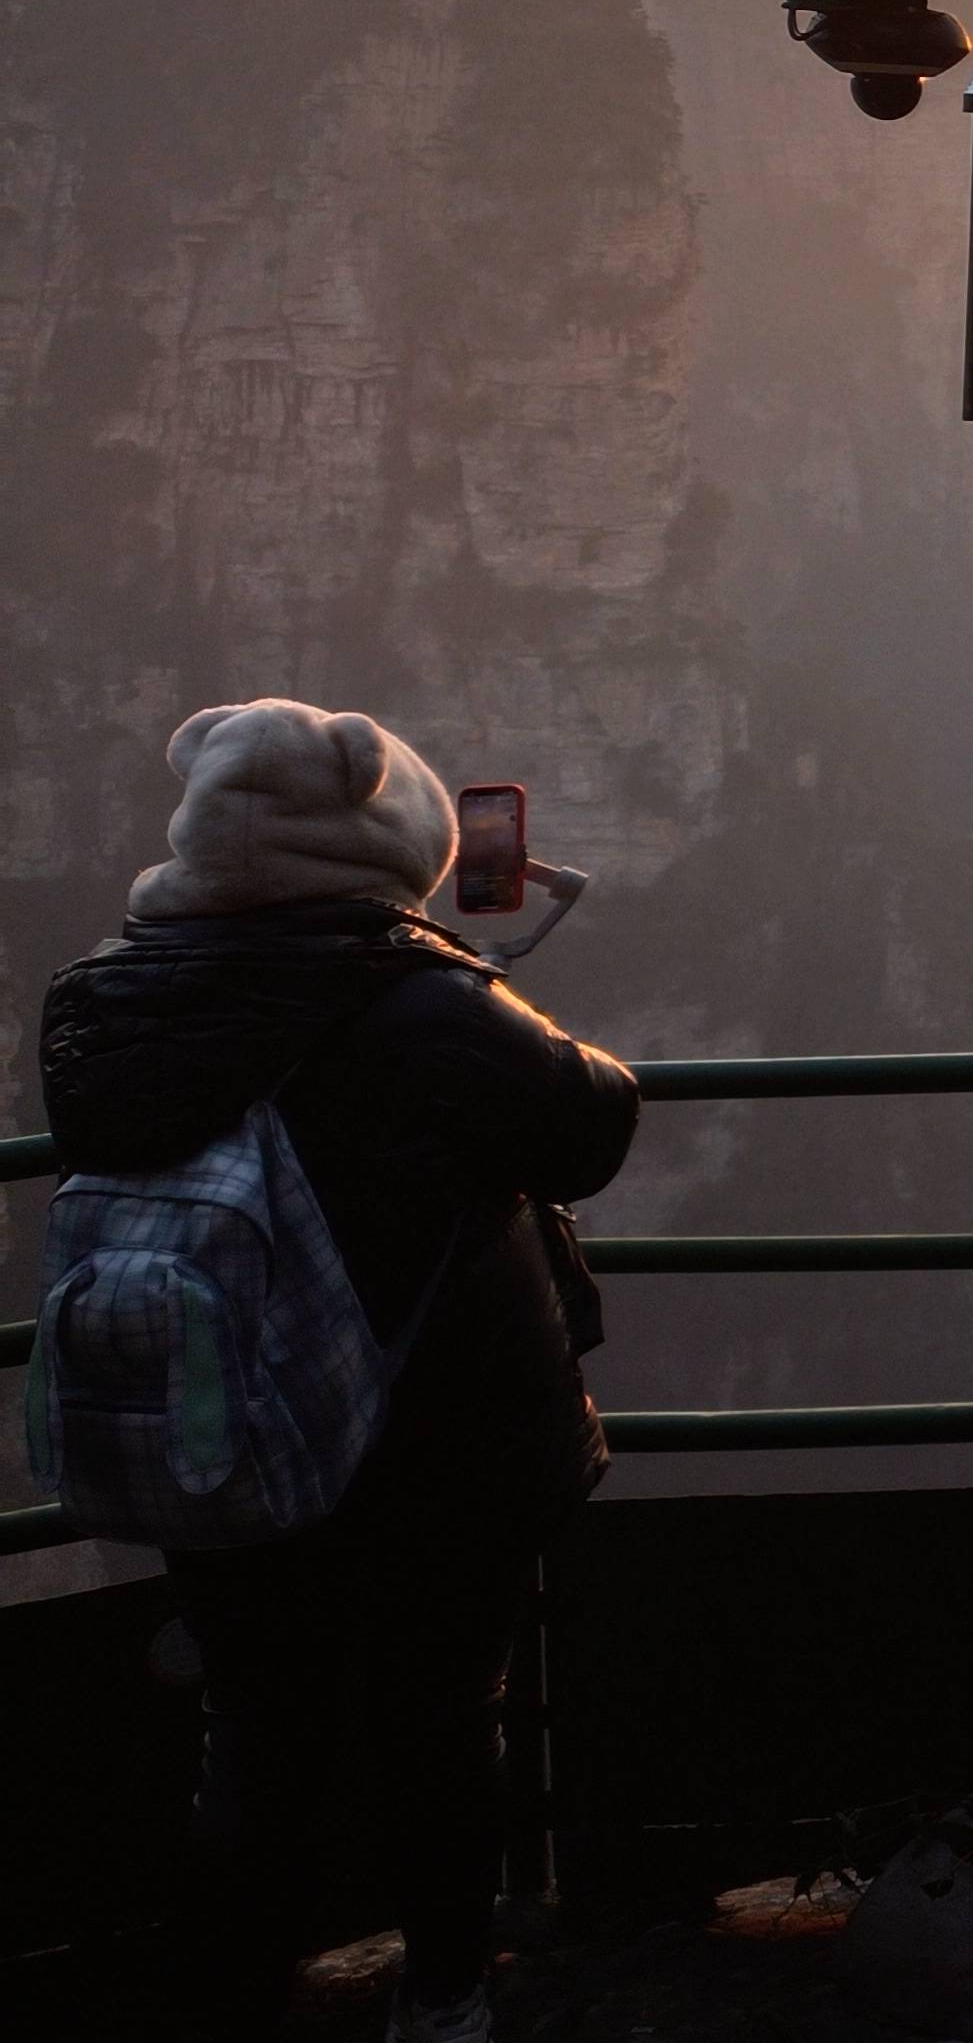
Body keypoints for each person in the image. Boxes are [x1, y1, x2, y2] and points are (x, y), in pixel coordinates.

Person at [31, 700, 639, 2043]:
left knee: (258, 1732)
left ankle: (236, 1997)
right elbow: (593, 1123)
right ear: (389, 835)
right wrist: (470, 970)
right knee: (439, 1722)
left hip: (223, 1424)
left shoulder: (99, 998)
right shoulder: (424, 1006)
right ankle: (442, 1996)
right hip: (435, 1443)